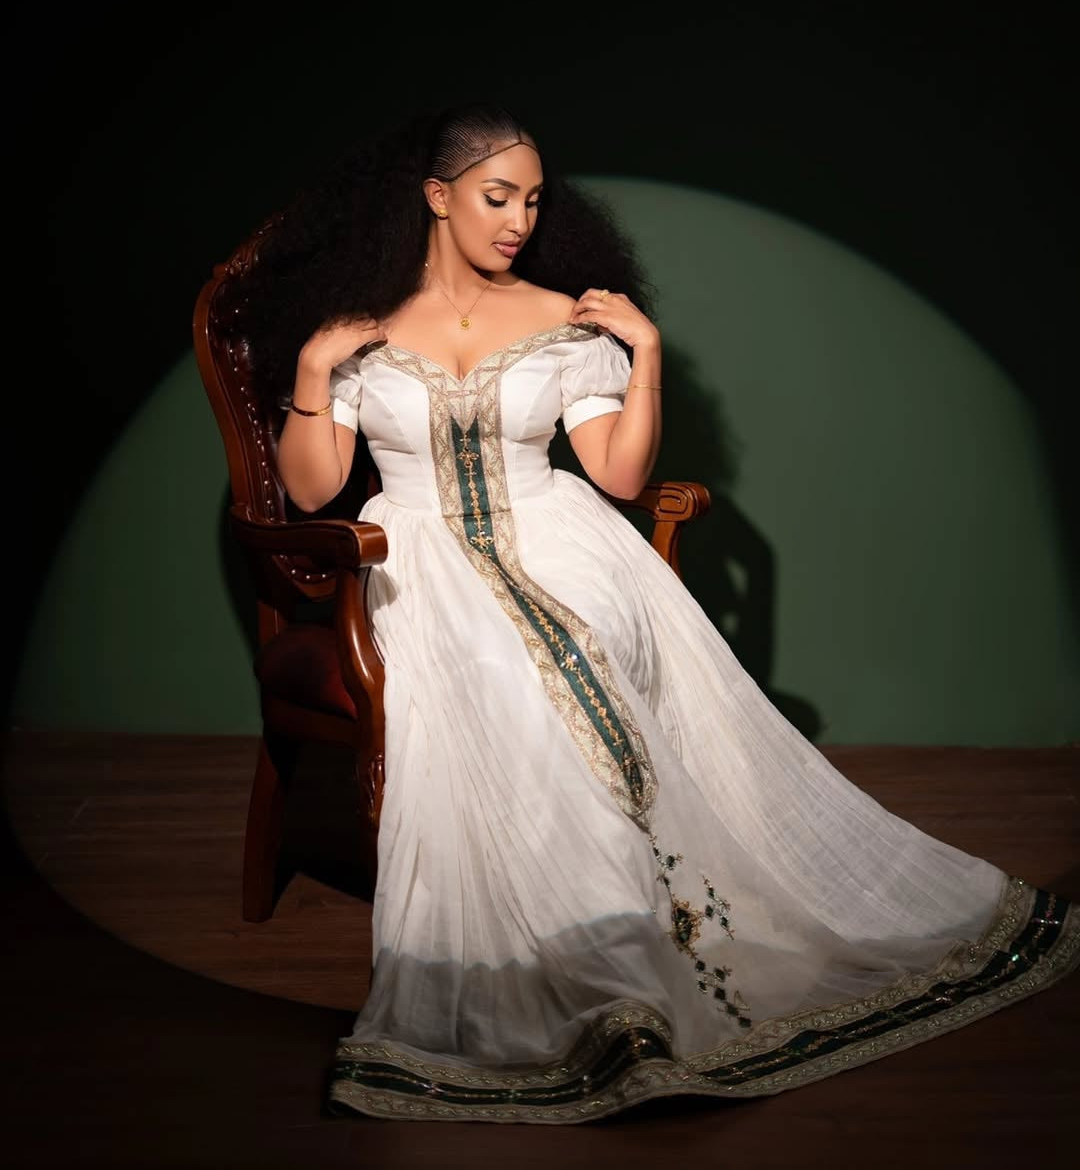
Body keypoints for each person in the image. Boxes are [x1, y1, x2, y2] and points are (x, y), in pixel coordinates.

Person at [233, 101, 1078, 1124]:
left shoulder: (560, 317)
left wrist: (644, 352)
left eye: (535, 201)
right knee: (499, 674)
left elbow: (620, 473)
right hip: (417, 559)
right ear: (436, 195)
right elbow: (316, 492)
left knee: (581, 647)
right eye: (499, 197)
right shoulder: (358, 331)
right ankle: (599, 975)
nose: (519, 220)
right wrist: (318, 375)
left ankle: (629, 949)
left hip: (565, 538)